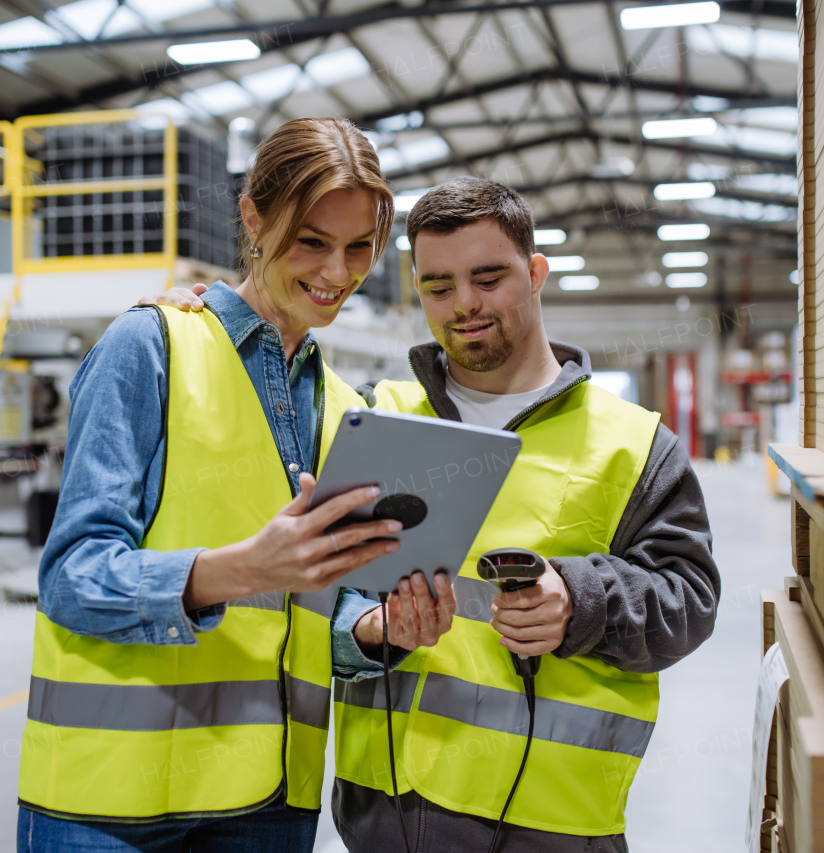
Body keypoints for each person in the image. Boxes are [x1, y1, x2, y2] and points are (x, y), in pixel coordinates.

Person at [153, 176, 720, 852]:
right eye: (439, 286)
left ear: (536, 273)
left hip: (557, 826)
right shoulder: (370, 414)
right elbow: (310, 597)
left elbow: (691, 601)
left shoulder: (633, 444)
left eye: (489, 278)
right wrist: (371, 630)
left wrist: (578, 598)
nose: (465, 306)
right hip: (387, 823)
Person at [17, 117, 454, 853]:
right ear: (253, 218)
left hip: (270, 800)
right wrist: (241, 569)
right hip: (113, 804)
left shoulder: (348, 410)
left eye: (358, 249)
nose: (336, 273)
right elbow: (71, 576)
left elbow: (325, 611)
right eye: (311, 241)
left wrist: (378, 631)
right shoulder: (149, 346)